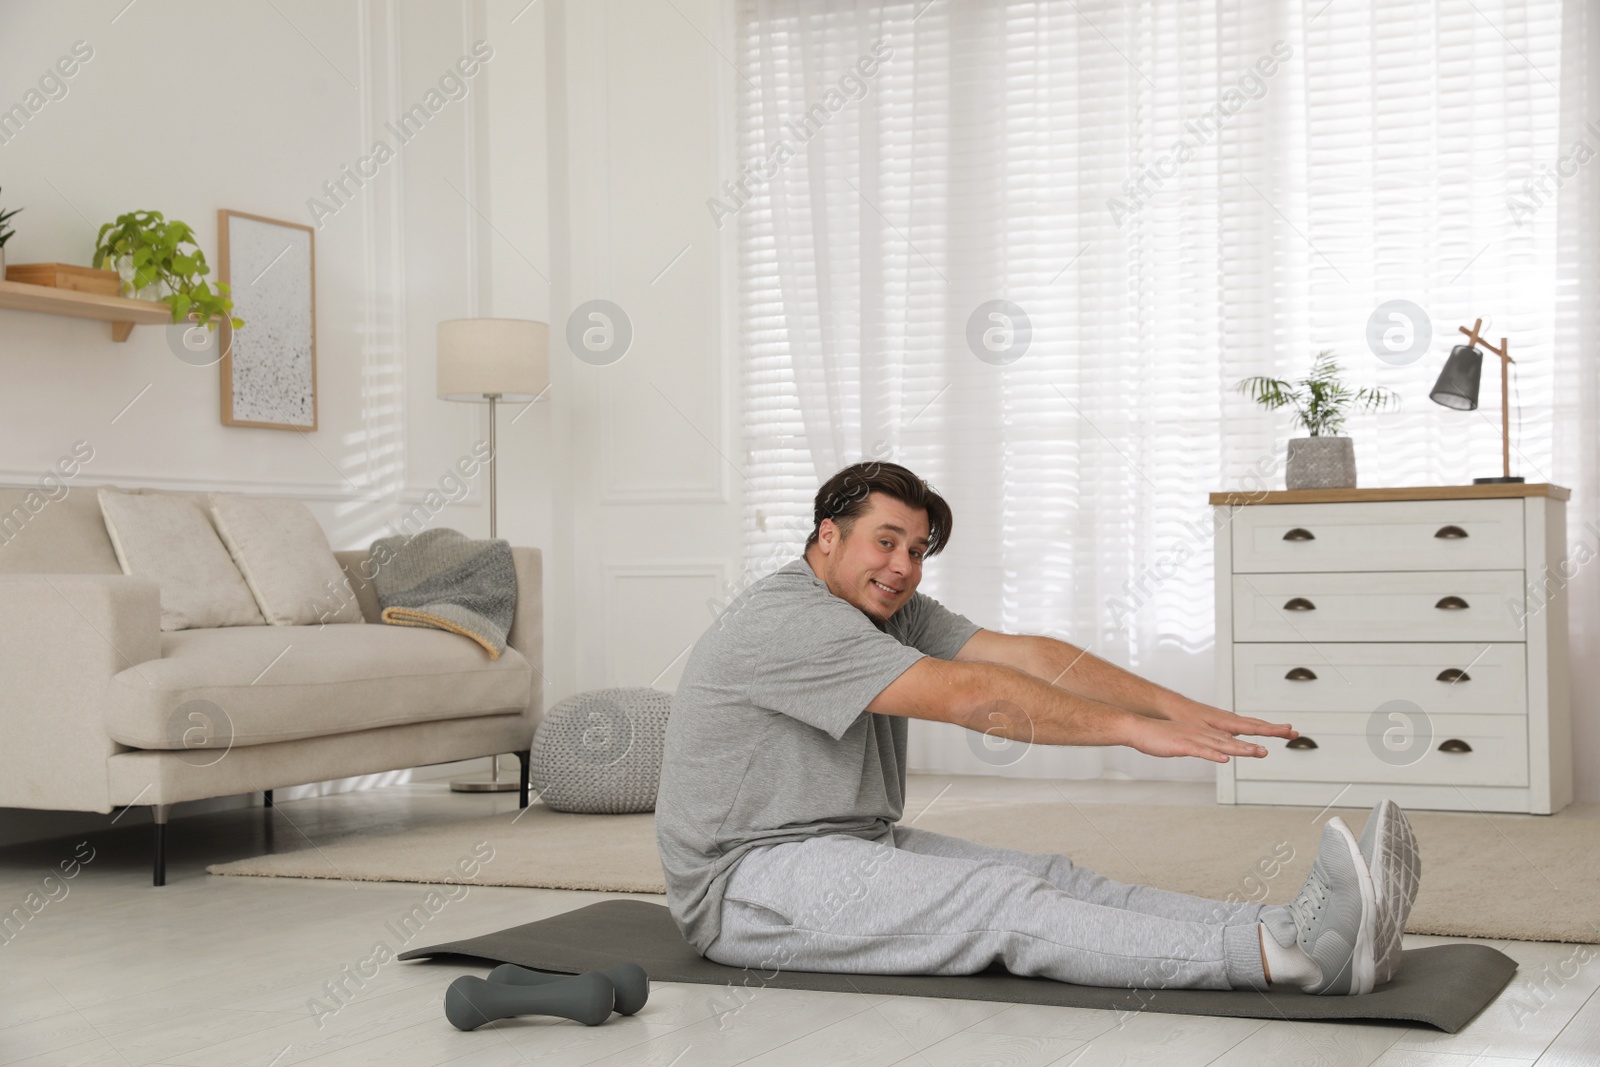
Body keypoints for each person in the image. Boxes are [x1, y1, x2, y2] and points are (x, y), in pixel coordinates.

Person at [655, 461, 1421, 995]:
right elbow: (966, 694)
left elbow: (1025, 655)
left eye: (916, 550)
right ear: (829, 536)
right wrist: (1127, 730)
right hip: (747, 883)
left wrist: (1173, 707)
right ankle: (1290, 960)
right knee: (1005, 905)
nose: (903, 565)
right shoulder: (790, 618)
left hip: (843, 843)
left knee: (1055, 877)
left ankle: (1296, 923)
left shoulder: (887, 607)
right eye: (885, 540)